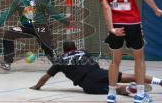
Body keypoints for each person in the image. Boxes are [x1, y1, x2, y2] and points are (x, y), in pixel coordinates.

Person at [95, 0, 162, 103]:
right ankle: (140, 94)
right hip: (132, 23)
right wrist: (156, 9)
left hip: (116, 25)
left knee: (115, 61)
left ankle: (111, 94)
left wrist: (111, 28)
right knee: (139, 59)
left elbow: (106, 7)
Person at [0, 0, 71, 70]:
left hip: (40, 27)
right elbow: (7, 14)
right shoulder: (17, 1)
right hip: (25, 28)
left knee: (46, 45)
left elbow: (52, 12)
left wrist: (66, 21)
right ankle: (7, 63)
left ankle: (57, 62)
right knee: (8, 34)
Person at [30, 41, 162, 96]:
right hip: (99, 72)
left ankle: (130, 88)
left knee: (116, 89)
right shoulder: (83, 51)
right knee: (130, 76)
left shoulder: (60, 61)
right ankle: (159, 81)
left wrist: (37, 86)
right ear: (75, 47)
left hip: (88, 83)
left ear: (64, 50)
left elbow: (45, 77)